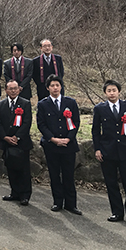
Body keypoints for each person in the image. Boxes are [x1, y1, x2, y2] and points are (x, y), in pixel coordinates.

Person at [92, 80, 126, 227]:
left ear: (119, 92)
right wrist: (97, 149)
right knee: (111, 184)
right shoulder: (99, 109)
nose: (112, 93)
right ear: (105, 93)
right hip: (108, 152)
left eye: (114, 90)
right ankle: (117, 212)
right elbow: (95, 131)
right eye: (109, 90)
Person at [37, 74, 81, 215]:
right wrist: (53, 139)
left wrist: (68, 139)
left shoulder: (71, 102)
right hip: (52, 145)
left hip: (69, 145)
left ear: (61, 87)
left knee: (68, 175)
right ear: (48, 88)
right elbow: (41, 124)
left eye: (57, 85)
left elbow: (76, 122)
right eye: (52, 85)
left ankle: (71, 204)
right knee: (54, 174)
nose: (55, 88)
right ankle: (57, 202)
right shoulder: (43, 104)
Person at [0, 80, 33, 205]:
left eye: (15, 88)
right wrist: (5, 137)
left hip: (21, 142)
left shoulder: (25, 103)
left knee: (24, 170)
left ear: (19, 90)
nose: (13, 91)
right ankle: (14, 192)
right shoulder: (1, 105)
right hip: (7, 142)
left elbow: (27, 122)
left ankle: (25, 195)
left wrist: (17, 137)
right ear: (6, 90)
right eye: (10, 88)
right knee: (11, 168)